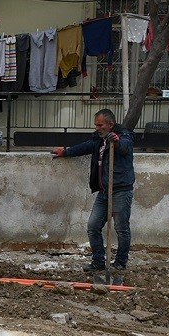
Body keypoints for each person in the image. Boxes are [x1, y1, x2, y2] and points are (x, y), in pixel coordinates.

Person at [52, 109, 135, 282]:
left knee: (121, 228)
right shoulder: (99, 138)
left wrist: (117, 142)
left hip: (120, 190)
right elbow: (86, 147)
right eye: (96, 125)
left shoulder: (123, 134)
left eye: (100, 125)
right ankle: (98, 261)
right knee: (93, 226)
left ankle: (120, 262)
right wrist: (66, 152)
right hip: (104, 191)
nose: (97, 128)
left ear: (110, 124)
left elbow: (126, 146)